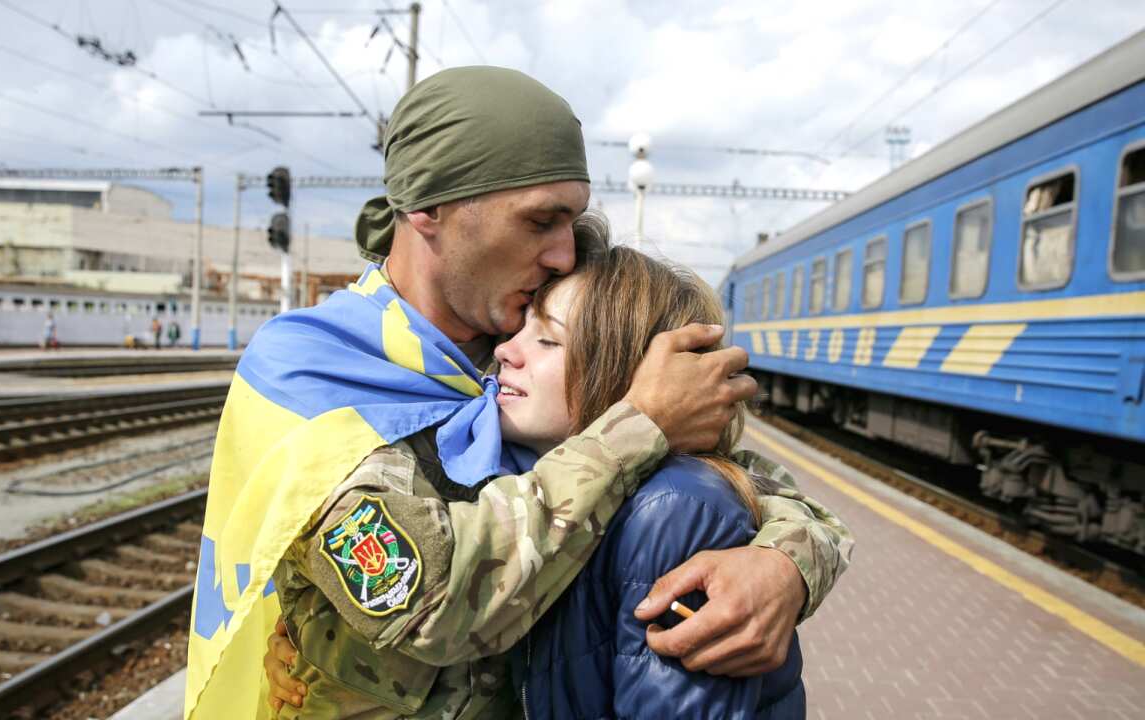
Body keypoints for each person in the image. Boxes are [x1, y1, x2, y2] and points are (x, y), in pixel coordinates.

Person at [186, 67, 851, 720]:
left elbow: (735, 484)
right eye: (541, 222)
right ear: (428, 208)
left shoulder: (513, 342)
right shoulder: (312, 368)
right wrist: (640, 421)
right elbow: (430, 602)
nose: (564, 254)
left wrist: (787, 564)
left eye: (573, 222)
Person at [510, 243, 806, 717]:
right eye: (515, 330)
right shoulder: (533, 470)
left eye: (546, 340)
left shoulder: (673, 510)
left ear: (640, 374)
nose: (506, 351)